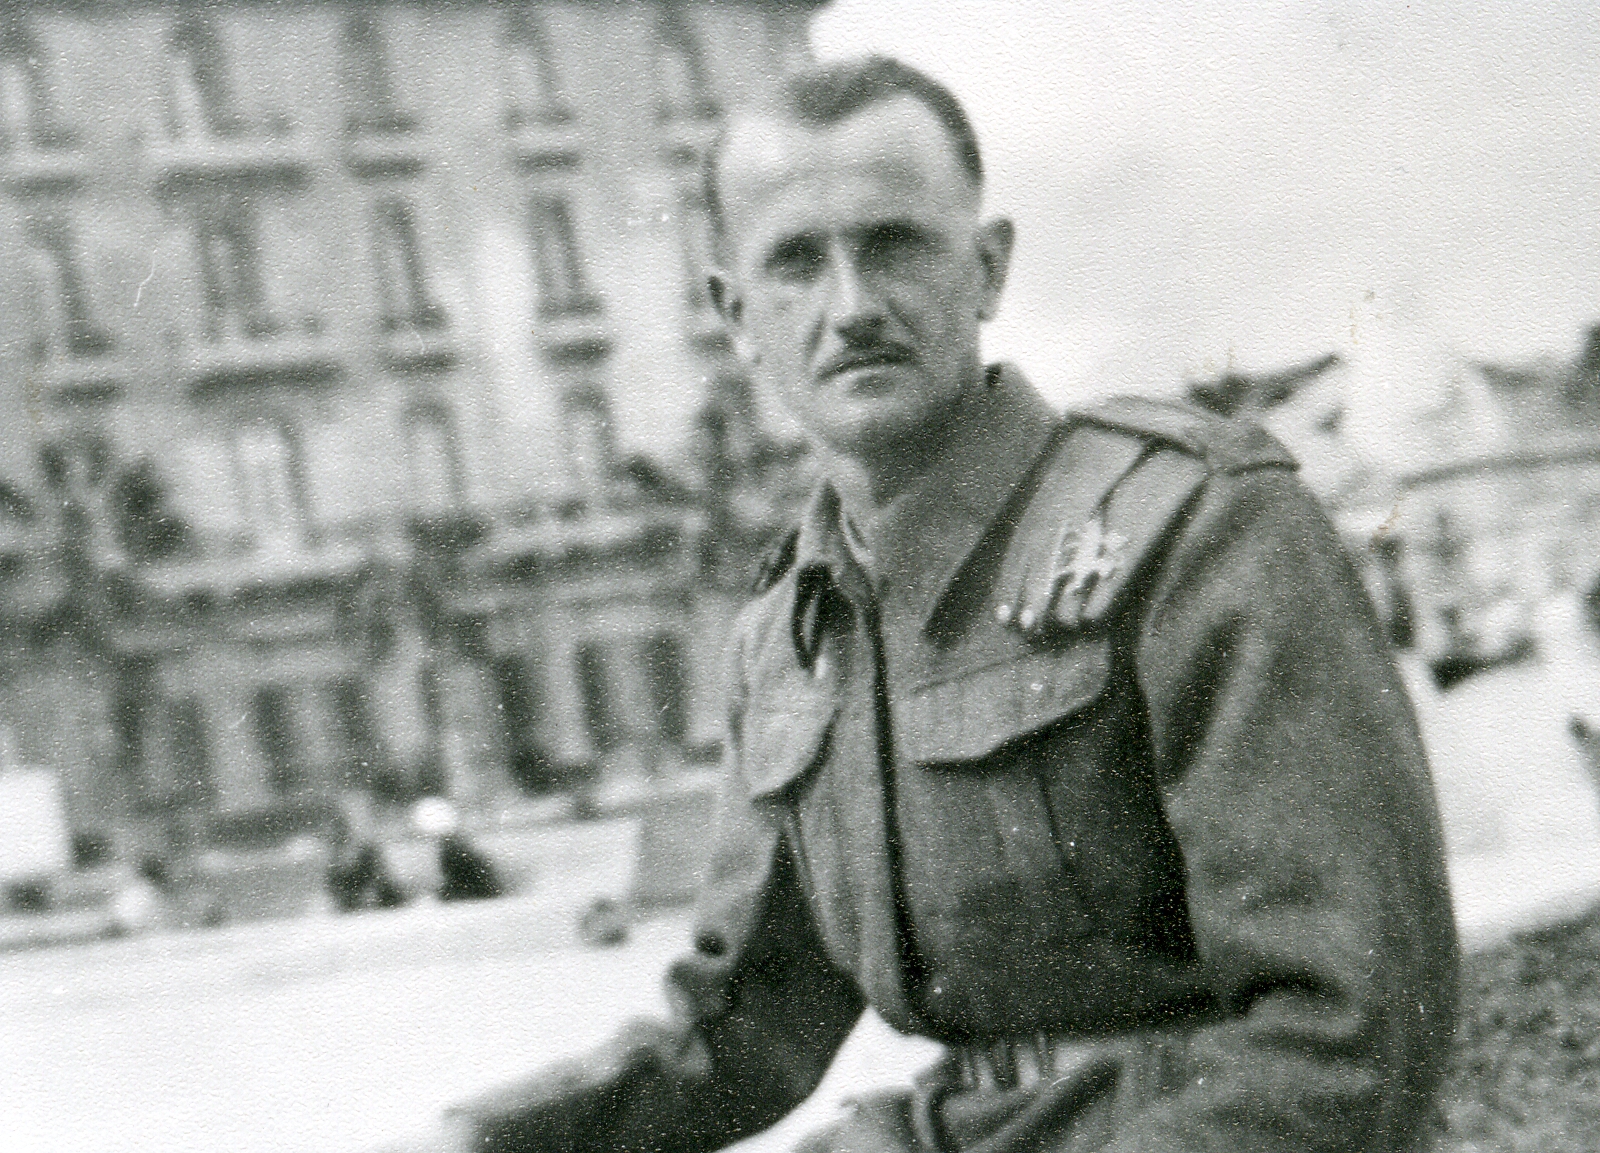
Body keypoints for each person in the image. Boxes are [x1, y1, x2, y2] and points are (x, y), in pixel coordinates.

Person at [428, 56, 1459, 1153]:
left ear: (987, 268)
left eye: (895, 245)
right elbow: (745, 1028)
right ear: (735, 314)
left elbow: (1352, 1023)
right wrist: (481, 1139)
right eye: (795, 263)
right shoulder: (787, 638)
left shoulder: (1196, 530)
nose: (852, 307)